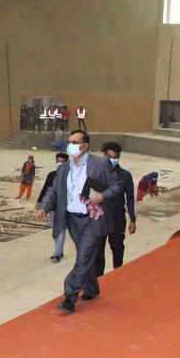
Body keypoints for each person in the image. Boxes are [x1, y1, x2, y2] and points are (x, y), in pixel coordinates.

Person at [35, 131, 122, 314]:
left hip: (92, 219)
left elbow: (116, 187)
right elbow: (54, 190)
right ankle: (91, 288)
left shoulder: (100, 164)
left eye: (75, 142)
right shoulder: (64, 168)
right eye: (69, 142)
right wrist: (44, 207)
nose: (71, 145)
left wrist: (101, 196)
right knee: (85, 256)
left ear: (85, 145)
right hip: (73, 219)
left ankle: (70, 296)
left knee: (83, 256)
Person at [94, 142, 137, 276]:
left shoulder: (125, 176)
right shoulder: (96, 174)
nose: (112, 160)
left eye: (115, 157)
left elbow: (130, 198)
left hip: (117, 218)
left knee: (118, 249)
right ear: (104, 155)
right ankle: (99, 279)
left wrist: (133, 219)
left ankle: (117, 275)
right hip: (100, 218)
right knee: (98, 251)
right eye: (109, 157)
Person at [36, 152, 70, 263]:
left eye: (62, 162)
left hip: (65, 207)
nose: (59, 164)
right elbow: (46, 189)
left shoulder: (69, 176)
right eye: (57, 161)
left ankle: (57, 253)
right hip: (52, 207)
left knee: (61, 229)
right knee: (56, 230)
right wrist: (40, 203)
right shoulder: (51, 175)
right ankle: (59, 251)